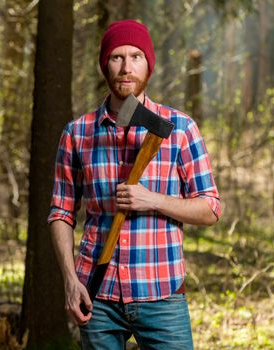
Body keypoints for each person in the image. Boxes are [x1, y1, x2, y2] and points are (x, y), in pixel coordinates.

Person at [48, 19, 221, 349]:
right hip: (96, 294)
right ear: (105, 65)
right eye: (117, 57)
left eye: (136, 57)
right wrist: (71, 281)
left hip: (161, 293)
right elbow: (60, 212)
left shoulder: (180, 129)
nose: (126, 68)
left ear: (149, 65)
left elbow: (211, 208)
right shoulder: (78, 133)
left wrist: (152, 200)